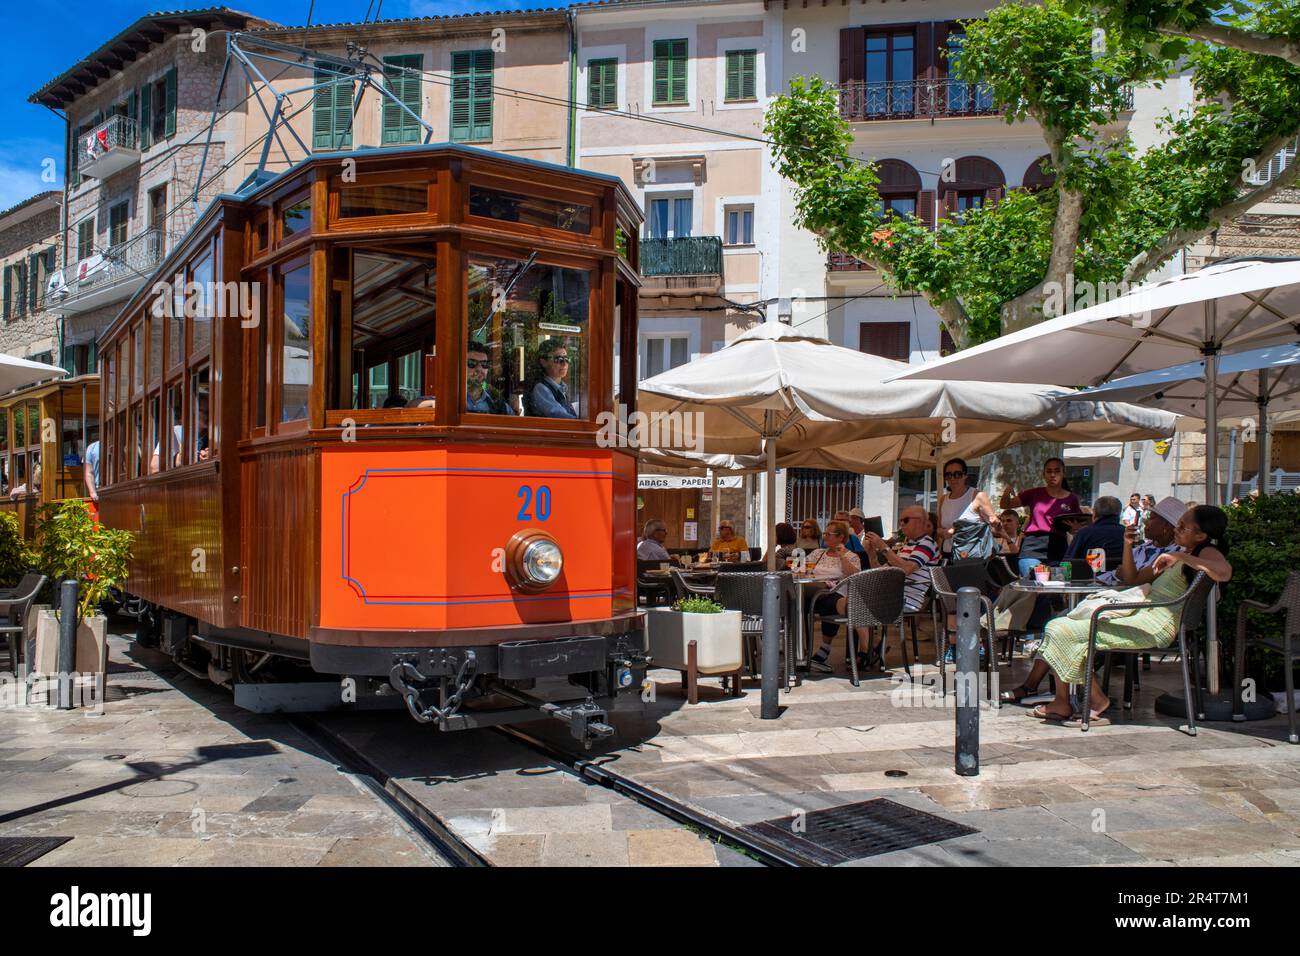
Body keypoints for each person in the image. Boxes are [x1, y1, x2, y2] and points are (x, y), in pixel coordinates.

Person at [1030, 505, 1232, 724]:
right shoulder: (1180, 553)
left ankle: (1084, 701)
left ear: (1201, 535)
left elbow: (1224, 571)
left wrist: (1180, 558)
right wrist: (1128, 545)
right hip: (1140, 615)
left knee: (1065, 630)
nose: (1177, 529)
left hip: (1157, 625)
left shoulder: (1204, 552)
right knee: (1058, 625)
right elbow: (1133, 579)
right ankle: (1075, 700)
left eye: (1183, 527)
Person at [998, 496, 1189, 704]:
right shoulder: (1148, 548)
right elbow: (1127, 572)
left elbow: (1132, 578)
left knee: (1061, 626)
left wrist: (1126, 555)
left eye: (1151, 517)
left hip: (1132, 608)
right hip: (1114, 598)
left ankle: (1069, 696)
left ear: (1165, 526)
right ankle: (1057, 695)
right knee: (1060, 624)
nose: (1145, 521)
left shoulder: (1171, 555)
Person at [1000, 457, 1080, 577]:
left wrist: (1074, 528)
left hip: (1058, 547)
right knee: (1035, 579)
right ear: (1044, 474)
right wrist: (1007, 492)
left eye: (1057, 471)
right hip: (1032, 545)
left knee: (1054, 588)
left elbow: (1075, 527)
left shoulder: (1072, 499)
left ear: (1064, 473)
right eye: (1049, 471)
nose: (1053, 474)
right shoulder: (1034, 493)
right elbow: (1005, 505)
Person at [807, 521, 865, 672]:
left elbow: (855, 576)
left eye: (828, 534)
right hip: (813, 592)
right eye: (824, 533)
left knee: (831, 601)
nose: (824, 536)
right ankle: (797, 649)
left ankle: (825, 648)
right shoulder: (817, 553)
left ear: (840, 537)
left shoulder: (851, 556)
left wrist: (842, 555)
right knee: (794, 603)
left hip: (837, 593)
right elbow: (801, 570)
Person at [938, 458, 1001, 561]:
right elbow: (938, 529)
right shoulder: (943, 499)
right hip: (947, 554)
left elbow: (994, 524)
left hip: (972, 553)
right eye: (948, 475)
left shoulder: (977, 496)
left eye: (957, 474)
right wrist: (944, 532)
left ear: (965, 475)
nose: (952, 478)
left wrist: (995, 521)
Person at [1064, 495, 1127, 572]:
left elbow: (1067, 563)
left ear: (1094, 513)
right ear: (1119, 514)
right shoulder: (1127, 533)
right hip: (1121, 579)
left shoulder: (1085, 533)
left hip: (1088, 579)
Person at [526, 340, 579, 419]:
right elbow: (561, 416)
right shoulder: (541, 388)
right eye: (558, 359)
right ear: (543, 362)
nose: (564, 364)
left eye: (566, 359)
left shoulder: (562, 387)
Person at [466, 341, 514, 415]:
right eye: (472, 363)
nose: (479, 369)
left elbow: (514, 424)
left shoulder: (498, 404)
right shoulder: (448, 401)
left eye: (484, 364)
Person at [84, 439, 101, 504]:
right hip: (99, 491)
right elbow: (89, 472)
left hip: (118, 490)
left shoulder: (122, 444)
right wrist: (92, 492)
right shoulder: (92, 447)